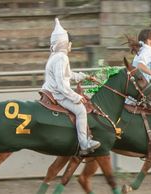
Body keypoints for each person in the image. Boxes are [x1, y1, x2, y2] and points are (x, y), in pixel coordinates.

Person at [42, 18, 100, 156]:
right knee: (81, 110)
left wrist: (85, 76)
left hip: (53, 91)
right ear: (66, 43)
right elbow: (62, 85)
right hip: (58, 94)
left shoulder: (55, 56)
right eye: (69, 42)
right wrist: (77, 97)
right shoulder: (62, 57)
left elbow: (68, 75)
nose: (70, 45)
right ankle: (84, 144)